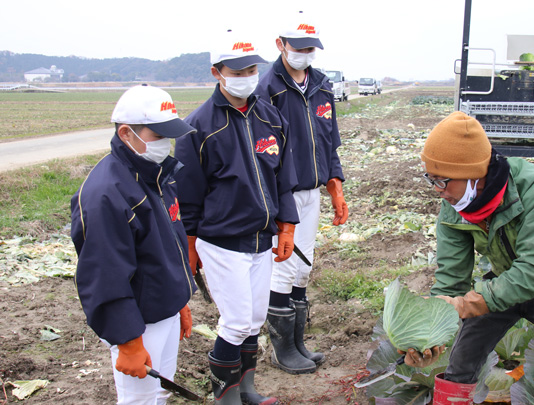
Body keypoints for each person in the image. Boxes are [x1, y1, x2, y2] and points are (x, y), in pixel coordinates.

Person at [405, 111, 534, 405]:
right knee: (461, 363)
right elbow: (451, 279)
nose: (439, 192)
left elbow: (533, 272)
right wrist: (430, 335)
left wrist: (463, 305)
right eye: (432, 180)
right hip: (504, 281)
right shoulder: (455, 205)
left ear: (473, 174)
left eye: (442, 181)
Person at [174, 31, 299, 404]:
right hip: (221, 240)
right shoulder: (199, 128)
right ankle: (225, 396)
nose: (247, 75)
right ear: (217, 72)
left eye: (252, 68)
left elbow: (283, 175)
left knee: (255, 317)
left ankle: (247, 390)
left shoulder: (269, 116)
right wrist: (191, 246)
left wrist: (287, 225)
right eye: (238, 69)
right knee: (237, 320)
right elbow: (189, 196)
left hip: (262, 239)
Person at [70, 85, 197, 405]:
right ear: (127, 133)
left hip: (164, 310)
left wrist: (180, 299)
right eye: (159, 135)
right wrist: (127, 340)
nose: (167, 144)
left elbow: (169, 243)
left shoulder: (157, 175)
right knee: (139, 401)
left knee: (161, 394)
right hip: (139, 321)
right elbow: (103, 276)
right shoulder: (106, 195)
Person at [255, 11, 348, 376]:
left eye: (311, 48)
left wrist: (335, 188)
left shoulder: (322, 85)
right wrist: (281, 207)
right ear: (281, 45)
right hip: (285, 193)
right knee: (283, 267)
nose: (306, 54)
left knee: (303, 268)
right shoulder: (268, 90)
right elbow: (266, 154)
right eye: (299, 47)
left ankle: (297, 342)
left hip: (313, 192)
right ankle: (282, 350)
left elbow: (330, 144)